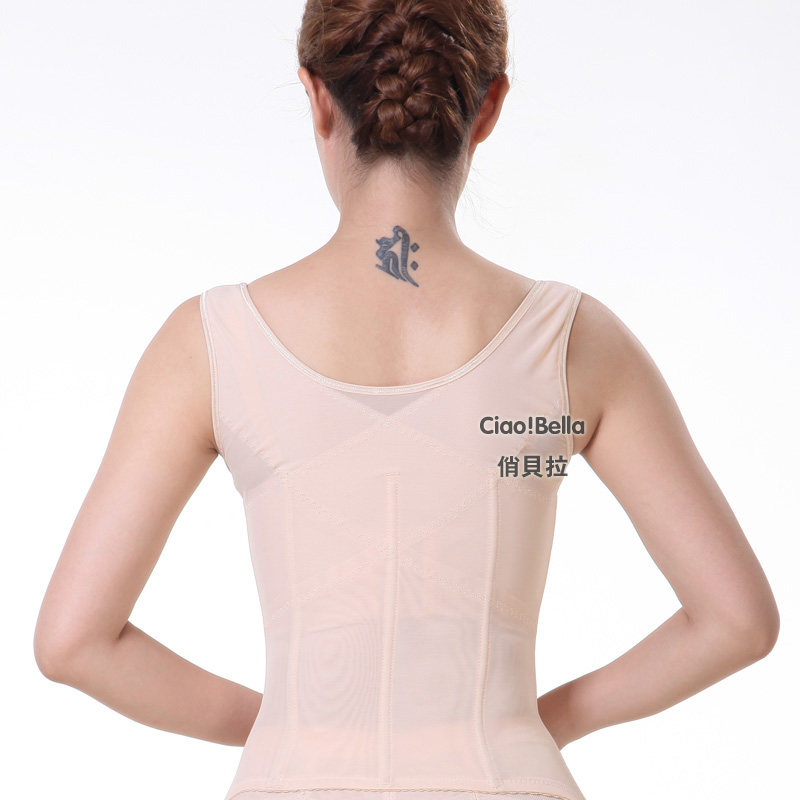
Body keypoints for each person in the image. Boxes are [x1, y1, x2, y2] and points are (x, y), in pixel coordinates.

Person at [33, 2, 780, 799]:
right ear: (488, 106)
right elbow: (736, 620)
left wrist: (291, 725)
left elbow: (74, 641)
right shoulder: (571, 340)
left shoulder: (211, 343)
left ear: (318, 99)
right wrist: (533, 725)